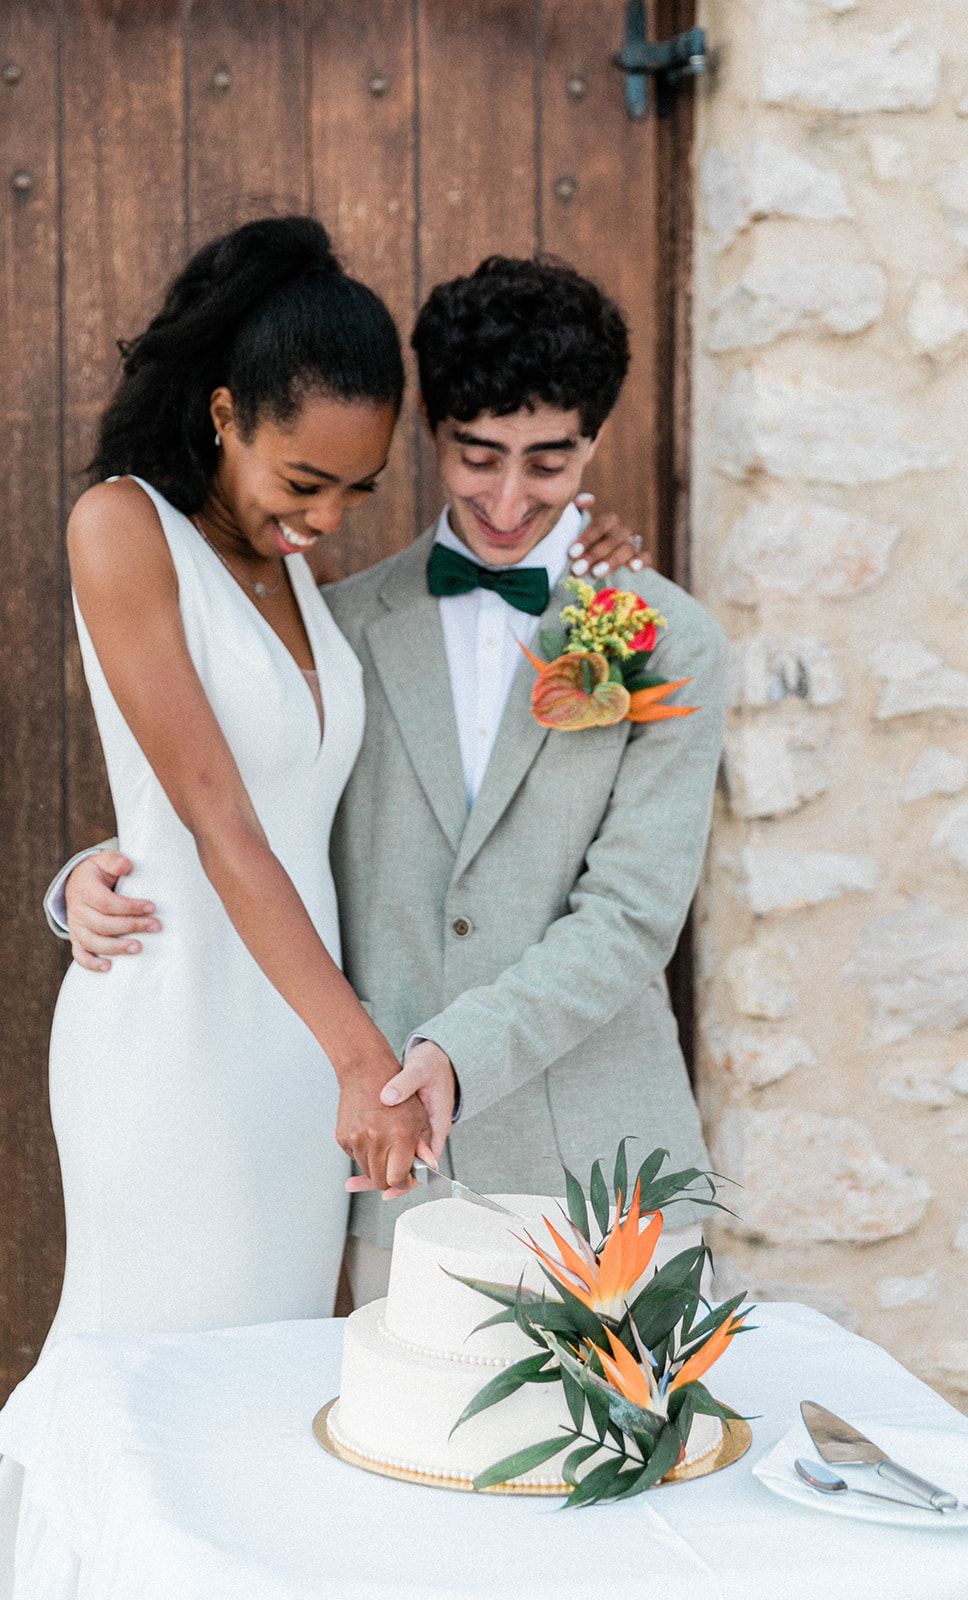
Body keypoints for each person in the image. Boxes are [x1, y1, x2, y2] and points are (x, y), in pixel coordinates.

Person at [60, 254, 728, 1305]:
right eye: (478, 456)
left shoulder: (665, 637)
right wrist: (94, 875)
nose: (510, 499)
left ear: (595, 441)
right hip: (394, 1184)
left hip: (603, 1165)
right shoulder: (336, 621)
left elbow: (635, 915)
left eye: (549, 463)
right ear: (432, 436)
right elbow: (255, 805)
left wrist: (449, 1055)